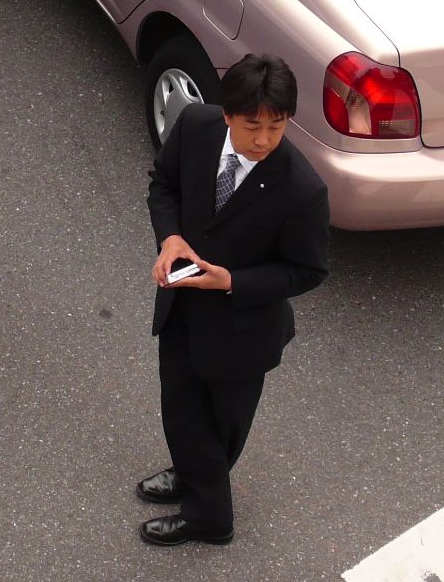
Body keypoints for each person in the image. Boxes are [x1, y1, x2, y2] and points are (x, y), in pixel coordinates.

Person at [137, 54, 330, 546]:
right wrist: (171, 237)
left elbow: (307, 270)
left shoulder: (303, 190)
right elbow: (163, 186)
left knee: (223, 425)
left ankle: (209, 516)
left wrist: (232, 282)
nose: (263, 140)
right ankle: (195, 482)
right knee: (180, 407)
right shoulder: (195, 127)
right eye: (252, 126)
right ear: (226, 114)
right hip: (182, 306)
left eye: (276, 126)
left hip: (244, 330)